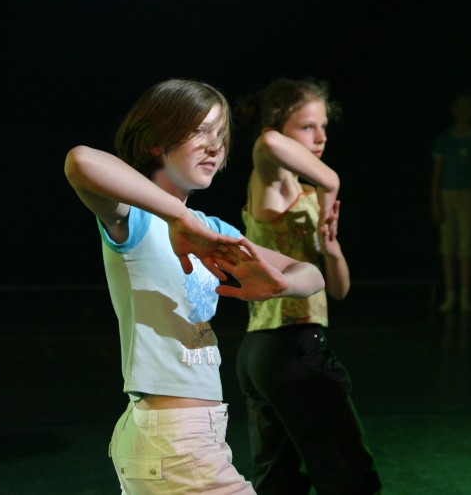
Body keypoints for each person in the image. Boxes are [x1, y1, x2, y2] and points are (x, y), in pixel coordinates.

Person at [63, 78, 326, 494]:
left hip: (185, 437)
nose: (214, 146)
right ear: (156, 141)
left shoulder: (211, 229)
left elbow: (310, 274)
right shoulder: (133, 217)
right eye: (200, 131)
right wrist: (179, 216)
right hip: (173, 437)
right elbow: (80, 161)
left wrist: (282, 283)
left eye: (220, 135)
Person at [234, 77, 381, 494]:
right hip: (288, 347)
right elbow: (269, 142)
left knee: (280, 482)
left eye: (324, 127)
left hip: (270, 352)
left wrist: (331, 251)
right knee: (351, 478)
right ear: (278, 125)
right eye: (307, 126)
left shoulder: (309, 195)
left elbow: (337, 290)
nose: (320, 137)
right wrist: (331, 184)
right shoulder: (272, 178)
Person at [431, 91, 471, 314]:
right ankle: (450, 294)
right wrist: (436, 202)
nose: (462, 112)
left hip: (469, 195)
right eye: (459, 107)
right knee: (448, 246)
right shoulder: (445, 139)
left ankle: (465, 295)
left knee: (466, 247)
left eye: (467, 107)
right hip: (448, 195)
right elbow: (437, 174)